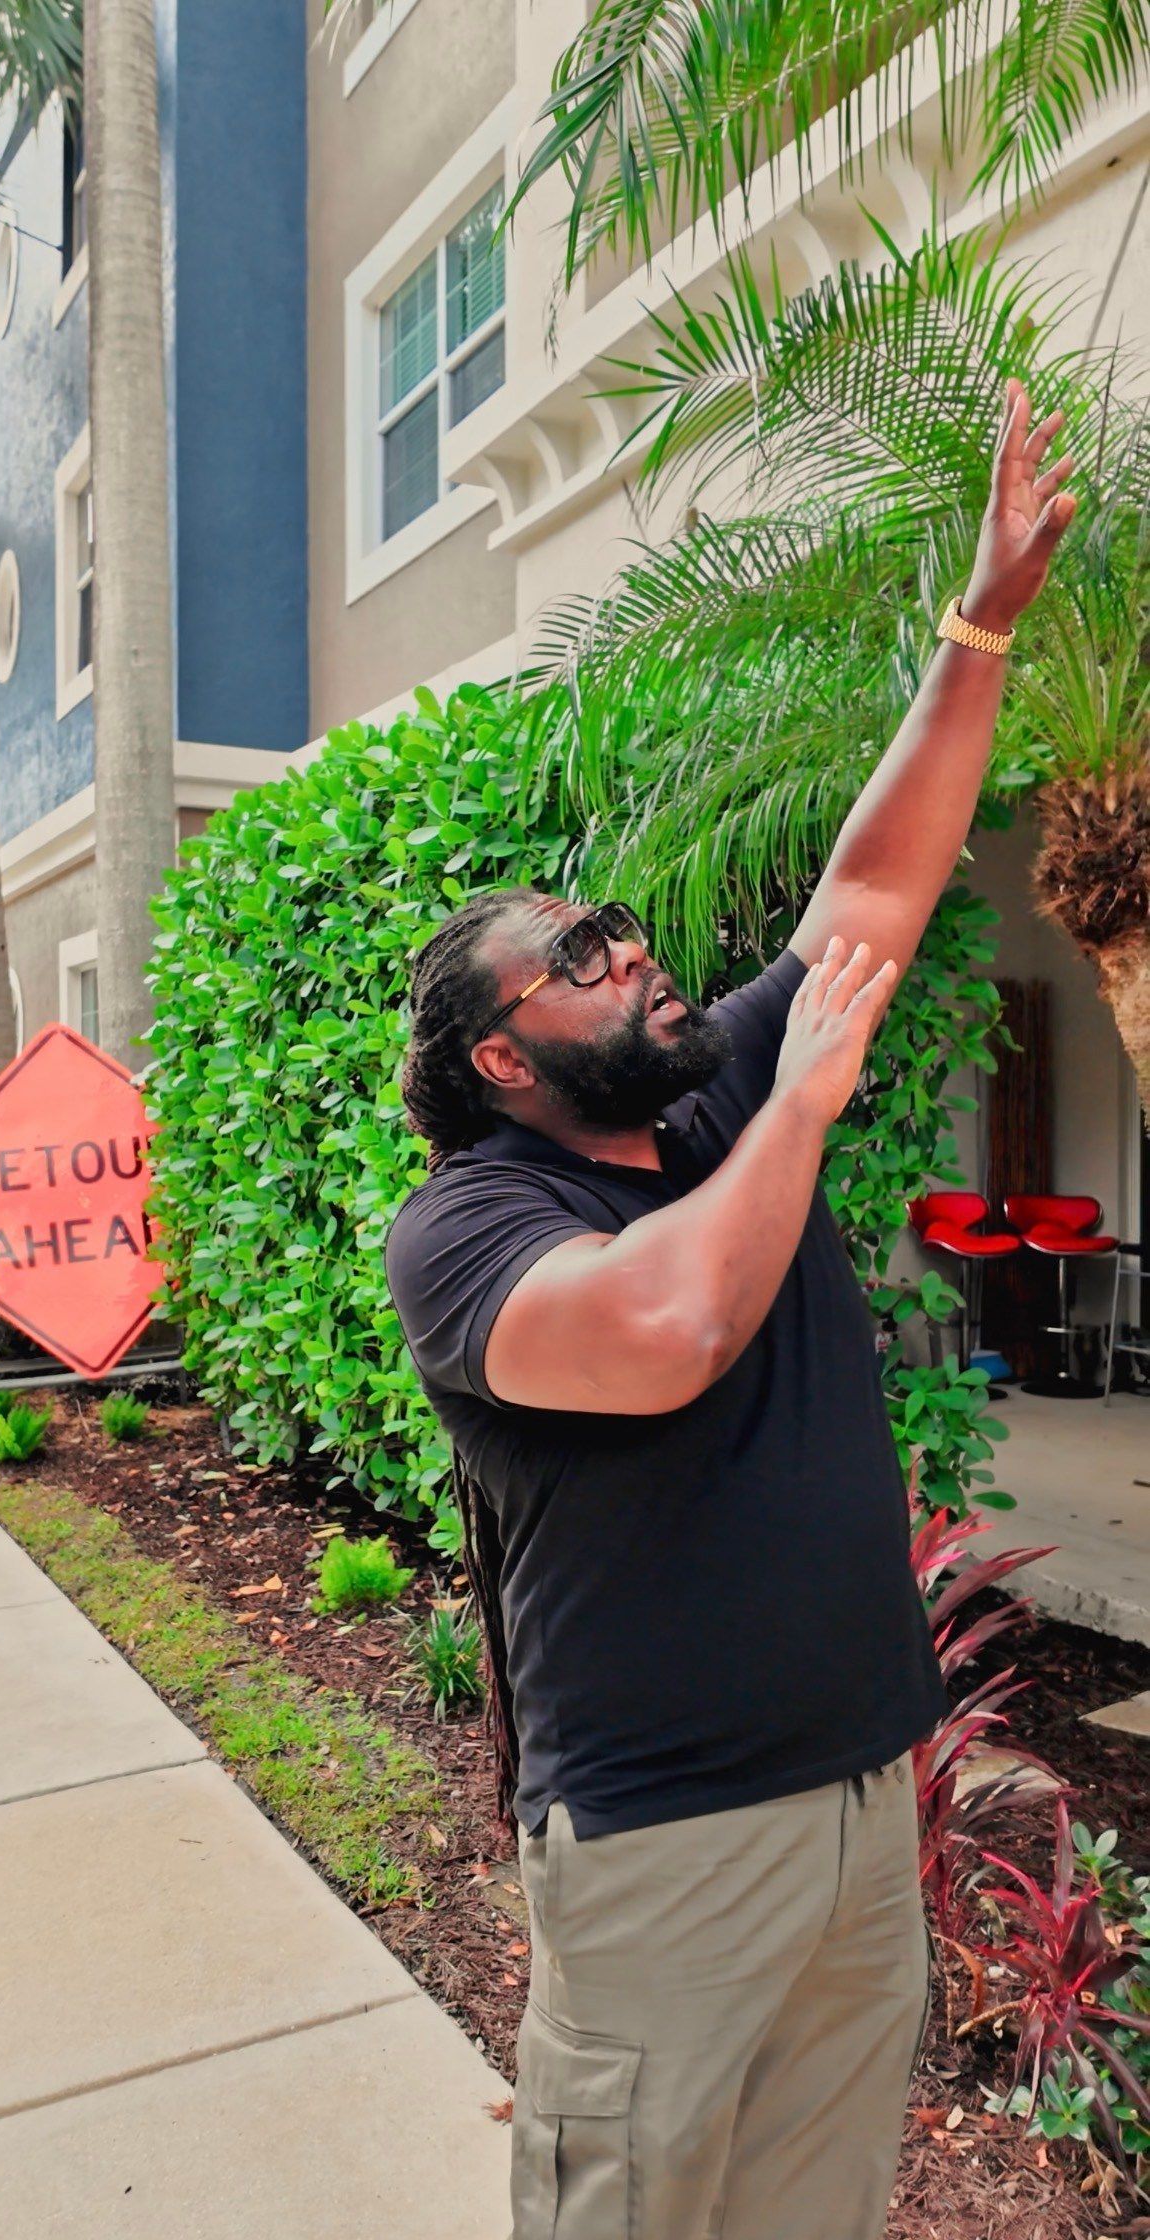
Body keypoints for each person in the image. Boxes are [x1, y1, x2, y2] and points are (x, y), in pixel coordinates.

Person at [384, 382, 1074, 2240]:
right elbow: (668, 1327)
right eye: (577, 957)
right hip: (664, 1846)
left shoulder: (707, 1106)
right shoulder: (467, 1230)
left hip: (856, 1802)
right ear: (503, 1057)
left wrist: (977, 625)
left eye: (619, 924)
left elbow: (873, 881)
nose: (631, 950)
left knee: (810, 2211)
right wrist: (802, 1107)